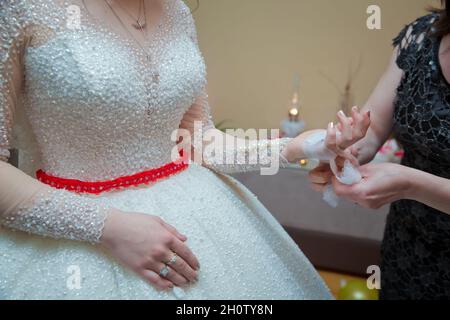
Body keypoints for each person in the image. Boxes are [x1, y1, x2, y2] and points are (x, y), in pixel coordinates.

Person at [0, 0, 369, 299]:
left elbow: (199, 139)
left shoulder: (176, 12)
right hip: (72, 229)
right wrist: (107, 226)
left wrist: (297, 146)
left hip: (196, 209)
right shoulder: (25, 8)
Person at [309, 1, 450, 299]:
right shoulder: (421, 38)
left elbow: (410, 182)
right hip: (408, 246)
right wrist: (345, 154)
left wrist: (411, 183)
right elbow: (372, 129)